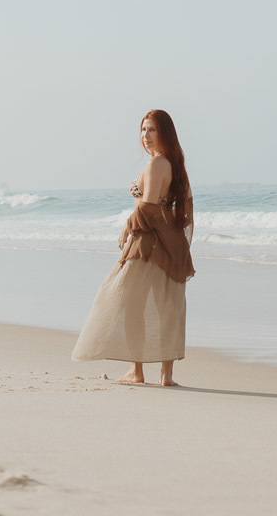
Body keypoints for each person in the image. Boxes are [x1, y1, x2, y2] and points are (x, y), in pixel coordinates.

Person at [71, 109, 195, 387]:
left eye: (152, 130)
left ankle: (136, 372)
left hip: (148, 241)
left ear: (164, 133)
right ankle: (166, 376)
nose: (146, 136)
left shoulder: (156, 164)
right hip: (171, 242)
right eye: (143, 130)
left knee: (127, 302)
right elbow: (180, 210)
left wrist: (127, 227)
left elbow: (149, 206)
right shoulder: (176, 164)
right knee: (168, 307)